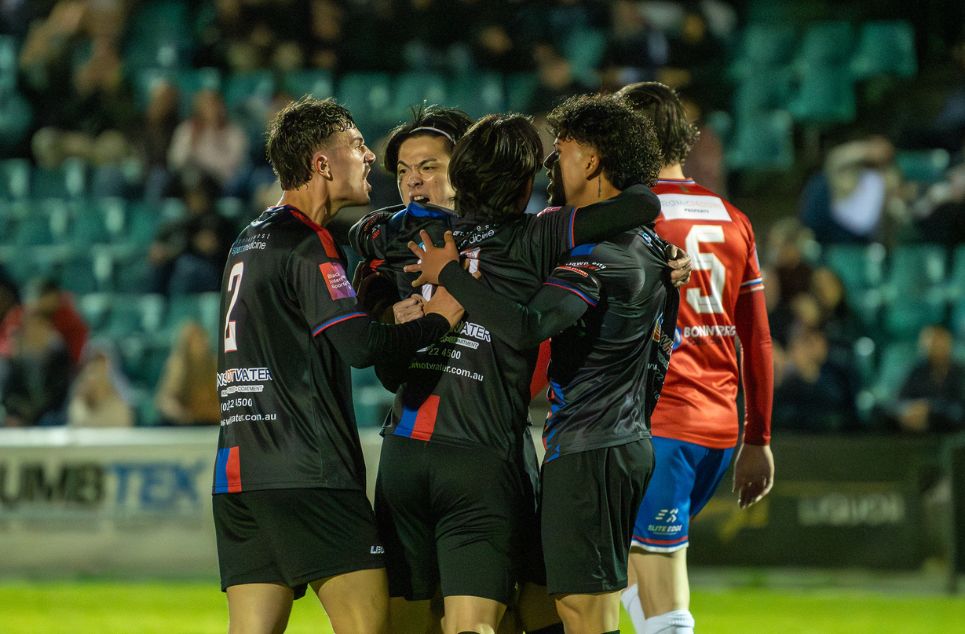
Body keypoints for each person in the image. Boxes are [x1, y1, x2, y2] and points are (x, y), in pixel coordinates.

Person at [374, 113, 663, 634]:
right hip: (481, 455)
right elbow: (641, 205)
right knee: (483, 620)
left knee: (405, 622)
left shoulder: (415, 235)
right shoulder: (540, 232)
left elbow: (363, 235)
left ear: (458, 176)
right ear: (526, 183)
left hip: (401, 452)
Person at [211, 96, 462, 634]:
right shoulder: (307, 243)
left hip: (238, 475)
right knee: (372, 625)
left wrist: (384, 320)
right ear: (323, 164)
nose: (370, 155)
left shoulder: (248, 239)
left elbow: (310, 334)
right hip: (307, 470)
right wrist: (440, 318)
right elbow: (360, 349)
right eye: (356, 145)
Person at [615, 81, 775, 634]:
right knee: (634, 572)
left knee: (658, 588)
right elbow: (755, 339)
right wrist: (758, 438)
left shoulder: (629, 217)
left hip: (657, 423)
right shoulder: (734, 218)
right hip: (717, 428)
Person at [155, 321, 220, 427]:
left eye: (200, 339)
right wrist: (182, 415)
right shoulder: (176, 366)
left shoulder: (216, 365)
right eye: (193, 341)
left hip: (211, 423)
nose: (198, 345)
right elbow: (164, 401)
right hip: (185, 425)